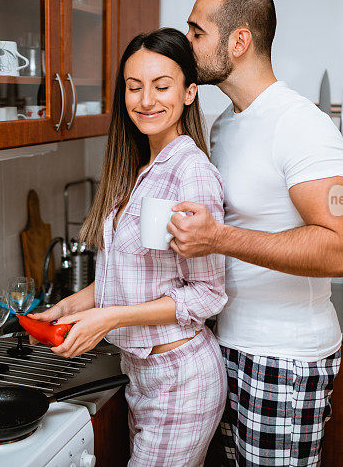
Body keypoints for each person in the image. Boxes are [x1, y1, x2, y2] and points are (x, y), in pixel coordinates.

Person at [168, 0, 343, 466]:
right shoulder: (225, 124)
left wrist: (219, 237)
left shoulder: (303, 125)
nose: (185, 41)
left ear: (238, 42)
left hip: (285, 359)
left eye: (197, 31)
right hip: (228, 346)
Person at [30, 27, 228, 466]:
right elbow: (130, 277)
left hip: (181, 378)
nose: (146, 100)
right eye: (134, 87)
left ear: (190, 92)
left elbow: (207, 294)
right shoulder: (142, 168)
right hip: (143, 375)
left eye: (162, 86)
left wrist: (109, 318)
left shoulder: (190, 172)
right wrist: (68, 308)